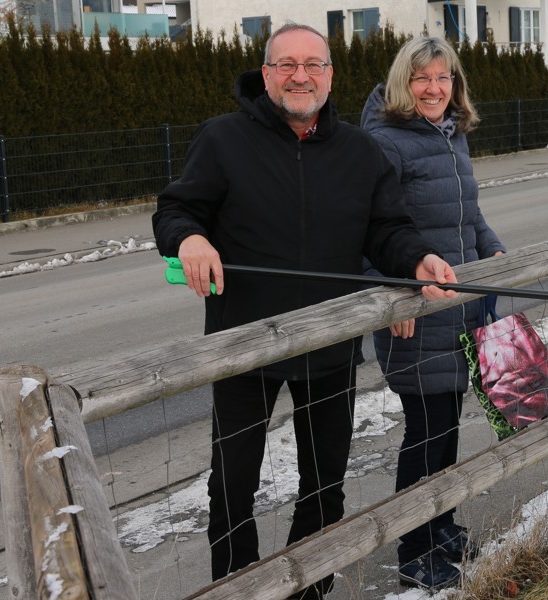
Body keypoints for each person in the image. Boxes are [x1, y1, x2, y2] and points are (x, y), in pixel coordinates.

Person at [151, 23, 458, 599]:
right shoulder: (222, 140)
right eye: (287, 65)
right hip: (243, 345)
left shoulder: (359, 151)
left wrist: (417, 259)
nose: (301, 76)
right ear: (266, 75)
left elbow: (388, 229)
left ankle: (308, 588)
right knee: (233, 486)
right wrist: (188, 239)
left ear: (330, 75)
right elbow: (175, 210)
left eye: (313, 64)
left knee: (324, 483)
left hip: (330, 344)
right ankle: (239, 588)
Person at [360, 36, 506, 591]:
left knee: (447, 427)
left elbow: (467, 212)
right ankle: (414, 549)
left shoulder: (450, 137)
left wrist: (491, 247)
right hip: (417, 311)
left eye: (443, 78)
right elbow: (368, 231)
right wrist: (393, 296)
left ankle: (440, 524)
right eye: (422, 78)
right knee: (425, 432)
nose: (433, 88)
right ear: (404, 82)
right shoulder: (384, 143)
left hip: (460, 304)